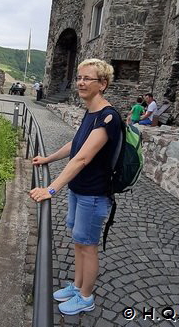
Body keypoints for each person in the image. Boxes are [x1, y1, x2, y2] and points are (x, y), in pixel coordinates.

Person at [29, 58, 122, 315]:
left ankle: (86, 296)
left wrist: (51, 189)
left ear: (102, 84)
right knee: (79, 242)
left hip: (94, 195)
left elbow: (82, 158)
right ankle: (77, 285)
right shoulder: (90, 112)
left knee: (88, 245)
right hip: (80, 191)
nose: (80, 82)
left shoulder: (108, 117)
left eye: (87, 78)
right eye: (79, 77)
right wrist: (49, 158)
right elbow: (75, 145)